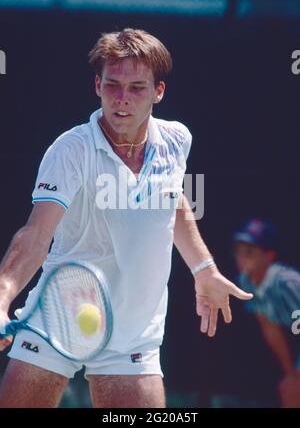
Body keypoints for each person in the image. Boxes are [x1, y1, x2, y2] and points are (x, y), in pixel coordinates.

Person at [0, 28, 252, 408]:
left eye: (137, 87)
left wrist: (203, 268)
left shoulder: (176, 139)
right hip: (57, 319)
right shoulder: (70, 150)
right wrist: (2, 295)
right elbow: (36, 236)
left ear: (158, 92)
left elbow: (172, 199)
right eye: (113, 85)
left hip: (134, 333)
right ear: (97, 85)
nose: (122, 99)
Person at [233, 218, 300, 408]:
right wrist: (291, 374)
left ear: (269, 256)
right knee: (290, 389)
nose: (241, 257)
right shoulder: (246, 282)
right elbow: (270, 328)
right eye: (238, 250)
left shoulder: (287, 285)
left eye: (249, 252)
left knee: (292, 392)